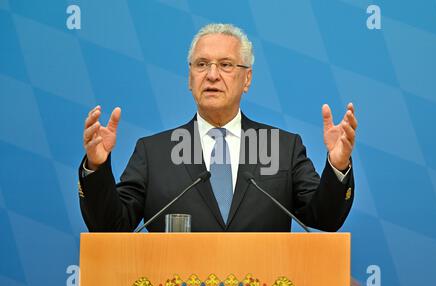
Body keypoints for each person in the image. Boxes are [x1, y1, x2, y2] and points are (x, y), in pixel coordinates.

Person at [78, 23, 357, 232]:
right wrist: (96, 167)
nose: (212, 75)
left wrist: (338, 165)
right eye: (202, 64)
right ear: (190, 78)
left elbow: (325, 219)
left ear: (246, 79)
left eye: (225, 65)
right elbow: (110, 226)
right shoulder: (153, 152)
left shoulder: (283, 147)